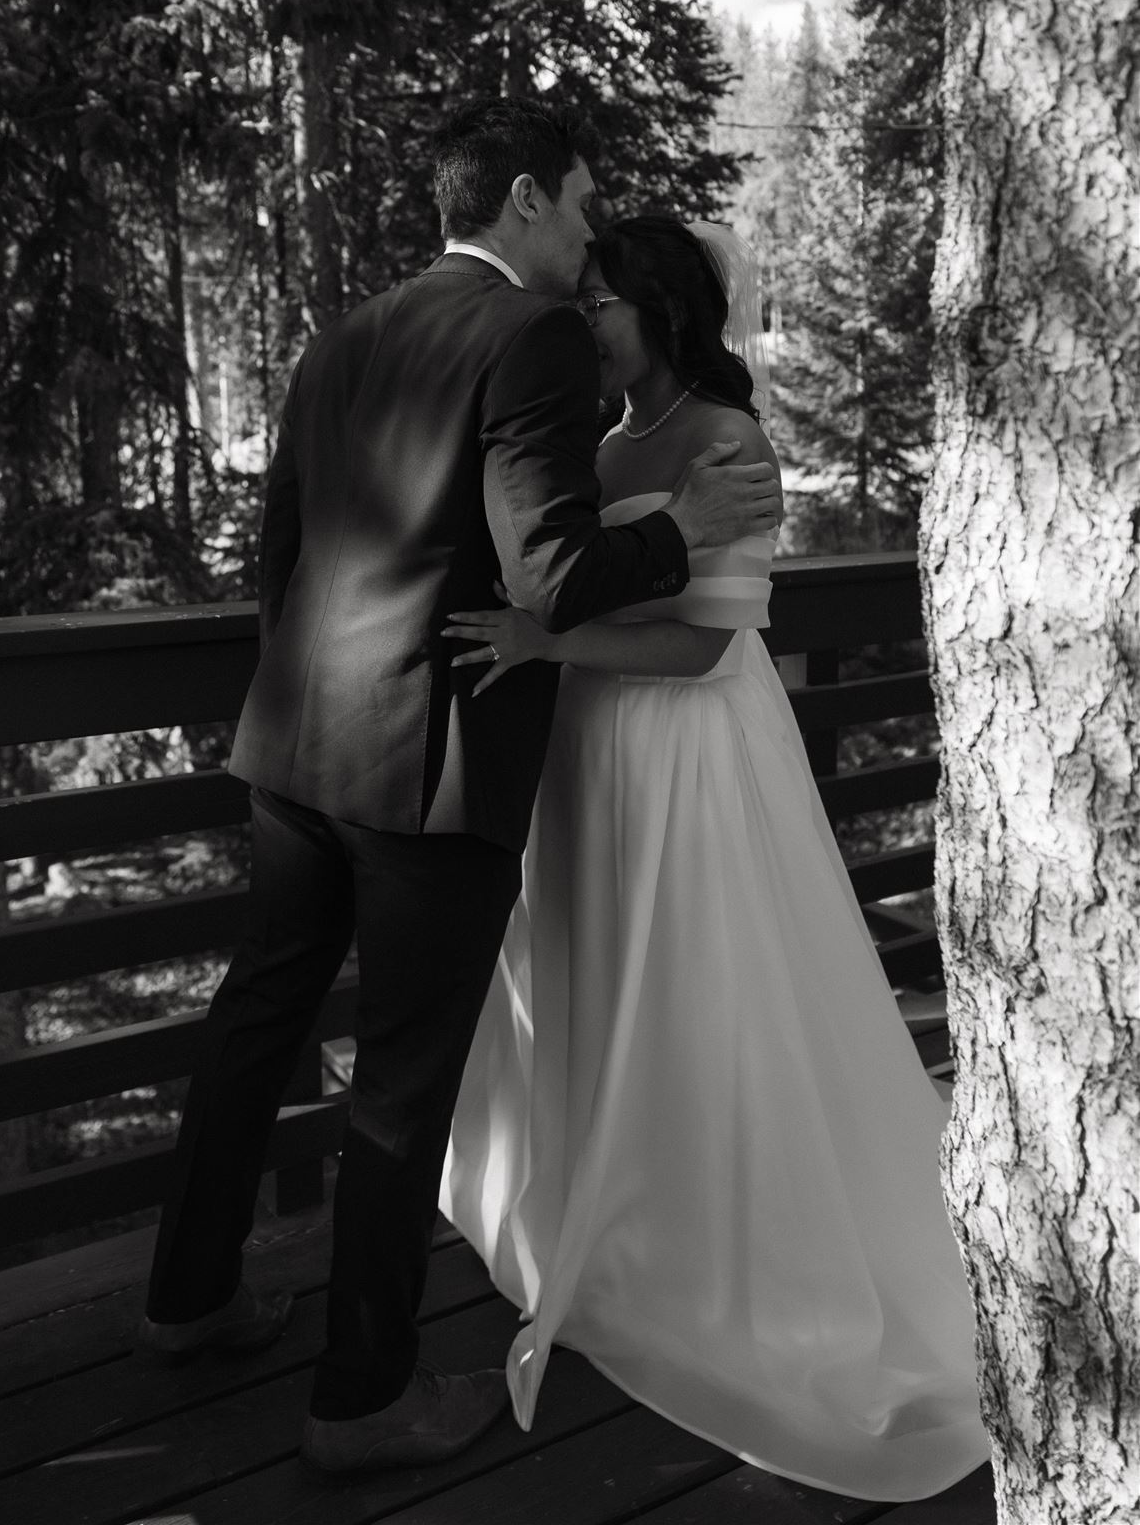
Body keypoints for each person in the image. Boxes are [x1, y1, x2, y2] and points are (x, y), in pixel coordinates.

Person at [138, 103, 781, 1480]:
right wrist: (682, 531)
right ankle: (361, 1394)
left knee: (256, 1017)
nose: (592, 231)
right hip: (425, 764)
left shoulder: (349, 329)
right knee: (402, 1078)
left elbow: (282, 555)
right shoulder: (530, 337)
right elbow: (547, 573)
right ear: (526, 199)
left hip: (296, 746)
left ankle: (185, 1301)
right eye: (583, 203)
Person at [440, 213, 991, 1504]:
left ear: (664, 315)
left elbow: (698, 648)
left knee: (695, 991)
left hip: (684, 756)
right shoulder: (600, 441)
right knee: (589, 976)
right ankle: (605, 1211)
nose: (585, 327)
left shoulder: (730, 443)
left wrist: (539, 645)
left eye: (603, 308)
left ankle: (712, 1249)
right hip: (586, 758)